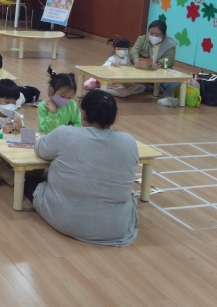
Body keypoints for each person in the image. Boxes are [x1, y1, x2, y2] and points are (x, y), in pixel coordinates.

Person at [28, 90, 140, 247]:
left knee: (30, 181)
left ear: (84, 114)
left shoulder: (65, 133)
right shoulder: (129, 142)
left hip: (67, 220)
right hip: (115, 227)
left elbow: (40, 149)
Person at [130, 19, 178, 106]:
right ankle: (151, 88)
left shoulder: (170, 44)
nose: (153, 36)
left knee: (175, 84)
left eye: (158, 35)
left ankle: (166, 98)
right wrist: (135, 59)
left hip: (161, 74)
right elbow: (134, 51)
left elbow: (169, 59)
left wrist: (159, 64)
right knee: (132, 81)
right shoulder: (142, 39)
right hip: (144, 73)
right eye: (151, 33)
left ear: (164, 35)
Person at [38, 66, 80, 133]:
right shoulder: (43, 107)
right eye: (62, 96)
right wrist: (52, 114)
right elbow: (46, 131)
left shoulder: (72, 105)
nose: (66, 100)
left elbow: (79, 124)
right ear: (51, 91)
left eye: (70, 97)